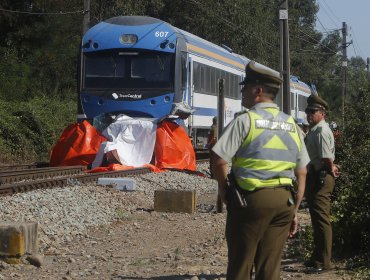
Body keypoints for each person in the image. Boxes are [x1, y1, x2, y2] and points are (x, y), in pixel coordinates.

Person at [211, 61, 309, 280]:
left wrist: (225, 190)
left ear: (258, 91)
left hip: (250, 201)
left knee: (241, 265)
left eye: (244, 87)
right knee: (270, 269)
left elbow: (218, 159)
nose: (242, 92)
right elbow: (302, 172)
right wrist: (294, 209)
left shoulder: (246, 121)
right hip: (284, 202)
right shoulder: (292, 125)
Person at [304, 94, 340, 273]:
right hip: (315, 175)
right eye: (307, 111)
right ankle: (317, 257)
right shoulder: (315, 129)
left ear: (322, 113)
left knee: (322, 220)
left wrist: (331, 166)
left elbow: (326, 157)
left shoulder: (322, 131)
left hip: (322, 177)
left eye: (313, 111)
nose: (308, 114)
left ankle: (324, 262)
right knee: (316, 219)